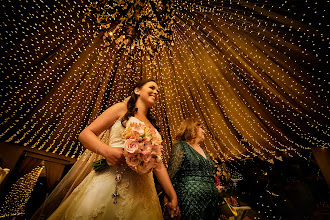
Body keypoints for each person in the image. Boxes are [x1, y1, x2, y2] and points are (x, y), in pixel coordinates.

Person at [32, 79, 179, 220]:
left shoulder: (153, 126)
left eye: (158, 91)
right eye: (152, 87)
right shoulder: (121, 109)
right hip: (112, 180)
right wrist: (106, 151)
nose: (156, 92)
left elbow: (157, 164)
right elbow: (85, 134)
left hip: (144, 190)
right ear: (137, 90)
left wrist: (172, 195)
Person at [166, 118, 223, 220]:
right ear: (192, 128)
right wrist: (170, 199)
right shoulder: (180, 146)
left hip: (211, 202)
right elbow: (171, 175)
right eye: (201, 127)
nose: (204, 131)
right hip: (190, 199)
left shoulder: (203, 150)